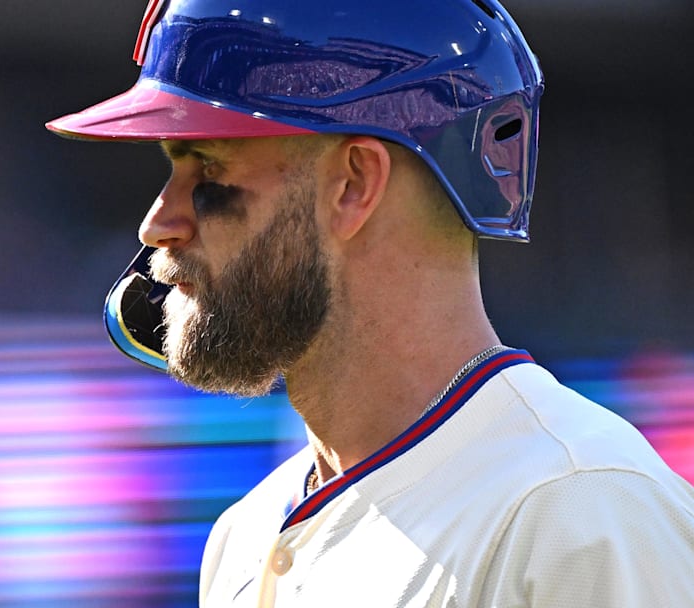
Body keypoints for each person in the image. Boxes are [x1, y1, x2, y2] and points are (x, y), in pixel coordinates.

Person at [46, 0, 694, 605]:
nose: (157, 223)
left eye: (208, 168)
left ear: (353, 185)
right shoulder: (245, 532)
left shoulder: (578, 511)